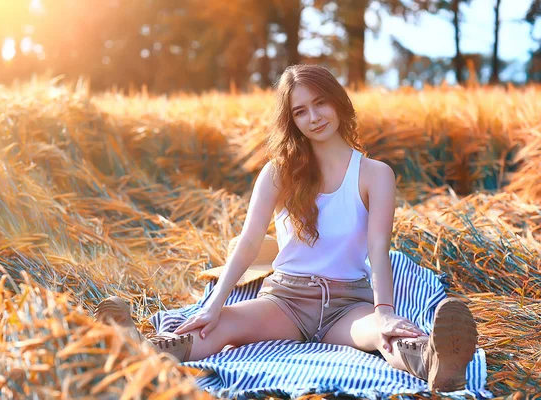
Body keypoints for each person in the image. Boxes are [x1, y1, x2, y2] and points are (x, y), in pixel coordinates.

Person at [94, 64, 478, 392]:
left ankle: (437, 365)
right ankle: (137, 347)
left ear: (339, 102)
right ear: (291, 120)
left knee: (384, 334)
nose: (314, 117)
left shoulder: (376, 175)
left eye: (320, 102)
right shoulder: (279, 173)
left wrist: (385, 311)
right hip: (286, 301)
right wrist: (213, 304)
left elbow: (379, 248)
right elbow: (248, 242)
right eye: (300, 111)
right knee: (219, 327)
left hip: (347, 304)